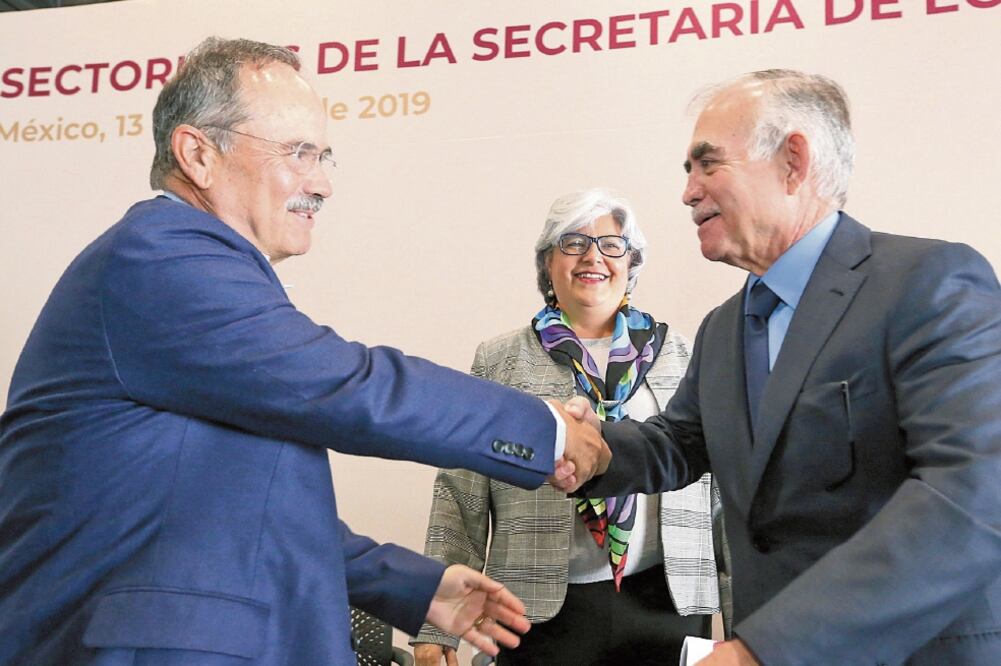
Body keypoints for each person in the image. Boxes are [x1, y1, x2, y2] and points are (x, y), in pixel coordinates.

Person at [0, 38, 610, 666]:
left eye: (323, 157)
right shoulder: (156, 257)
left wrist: (410, 585)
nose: (321, 183)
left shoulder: (190, 271)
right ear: (198, 154)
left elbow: (240, 505)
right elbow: (350, 386)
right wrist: (547, 430)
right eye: (297, 153)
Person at [560, 70, 1001, 665]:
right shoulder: (723, 327)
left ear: (794, 161)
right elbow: (682, 441)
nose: (688, 192)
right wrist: (596, 452)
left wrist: (769, 647)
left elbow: (971, 494)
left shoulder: (929, 283)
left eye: (707, 164)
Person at [412, 189, 721, 666]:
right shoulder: (501, 360)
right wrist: (435, 629)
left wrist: (751, 623)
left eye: (612, 244)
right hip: (538, 612)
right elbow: (460, 492)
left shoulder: (680, 353)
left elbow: (719, 489)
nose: (593, 256)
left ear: (631, 263)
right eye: (573, 242)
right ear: (548, 265)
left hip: (666, 603)